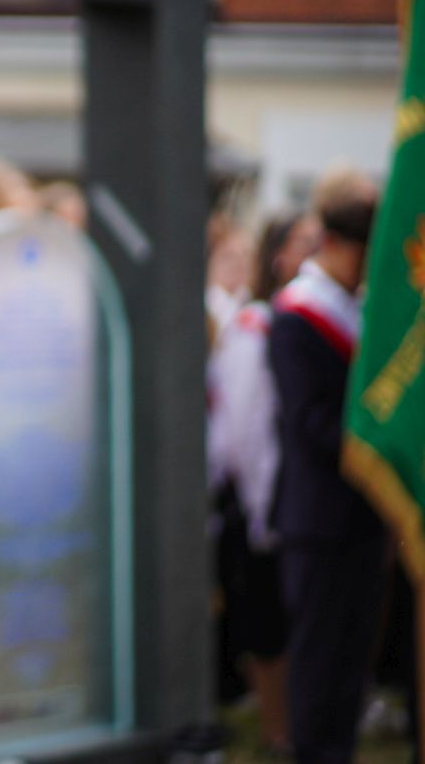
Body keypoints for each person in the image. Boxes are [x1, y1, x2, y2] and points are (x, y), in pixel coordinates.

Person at [269, 165, 383, 764]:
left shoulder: (359, 309)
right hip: (318, 518)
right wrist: (372, 443)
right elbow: (308, 421)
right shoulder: (298, 313)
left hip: (364, 513)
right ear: (337, 243)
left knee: (351, 662)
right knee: (318, 663)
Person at [207, 210, 317, 753]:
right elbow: (241, 431)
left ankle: (297, 721)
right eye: (303, 242)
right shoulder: (255, 325)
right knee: (266, 620)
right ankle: (278, 728)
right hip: (262, 500)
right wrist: (260, 508)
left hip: (287, 498)